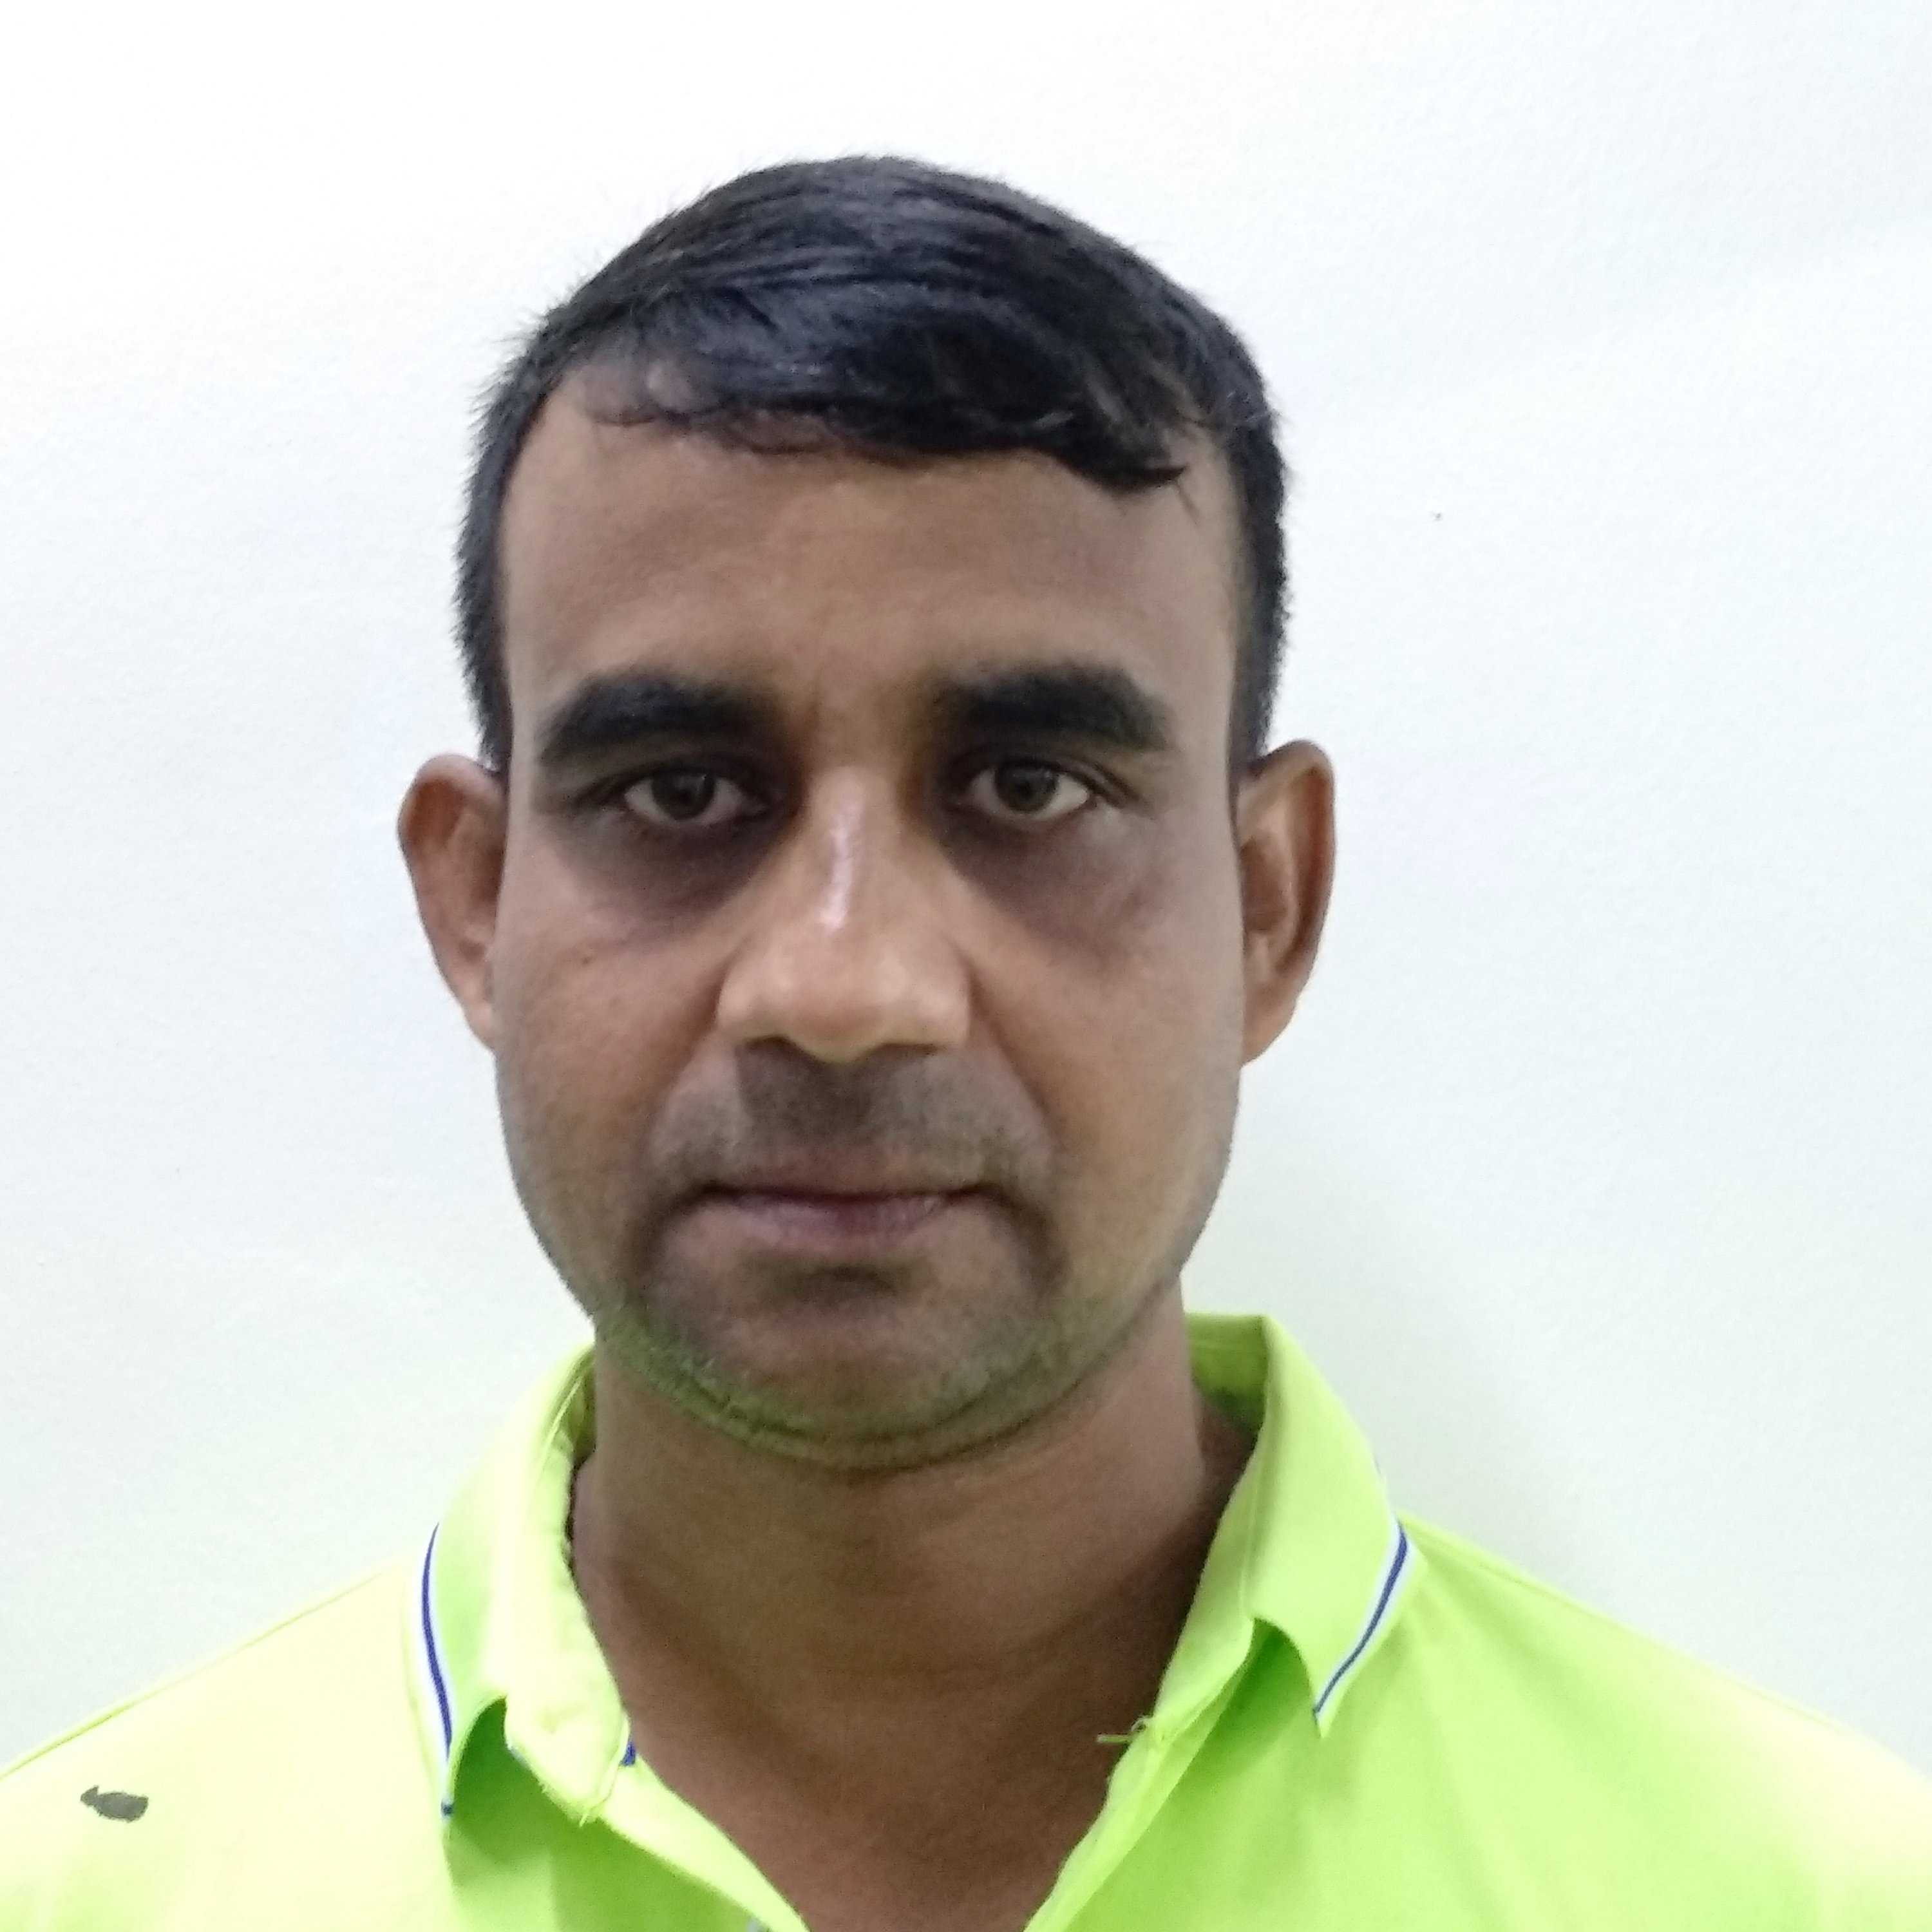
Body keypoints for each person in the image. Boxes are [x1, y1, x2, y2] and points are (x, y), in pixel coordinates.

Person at [4, 154, 1927, 1931]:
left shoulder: (1805, 1894)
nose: (845, 988)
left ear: (1269, 904)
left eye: (1028, 786)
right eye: (682, 792)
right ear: (477, 904)